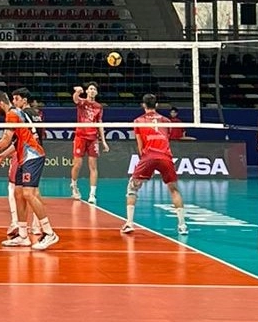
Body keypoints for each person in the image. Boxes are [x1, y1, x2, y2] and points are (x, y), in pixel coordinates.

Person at [0, 89, 59, 250]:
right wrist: (2, 156)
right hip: (23, 157)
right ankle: (23, 236)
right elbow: (16, 142)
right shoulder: (18, 113)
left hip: (33, 156)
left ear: (1, 103)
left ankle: (49, 232)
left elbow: (5, 141)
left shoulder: (12, 114)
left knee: (28, 193)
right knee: (18, 194)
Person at [123, 94, 189, 236]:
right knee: (174, 190)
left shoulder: (138, 121)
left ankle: (129, 223)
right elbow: (167, 139)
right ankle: (182, 225)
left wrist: (146, 165)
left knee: (132, 188)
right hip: (165, 156)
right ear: (157, 105)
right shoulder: (166, 121)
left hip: (148, 156)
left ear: (143, 105)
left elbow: (140, 145)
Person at [70, 83, 109, 204]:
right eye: (90, 89)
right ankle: (74, 185)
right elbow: (75, 99)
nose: (92, 91)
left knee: (93, 166)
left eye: (94, 89)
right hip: (80, 137)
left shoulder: (99, 107)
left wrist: (104, 141)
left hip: (93, 138)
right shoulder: (82, 102)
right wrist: (77, 91)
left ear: (96, 93)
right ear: (87, 91)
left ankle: (92, 194)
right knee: (77, 164)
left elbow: (100, 124)